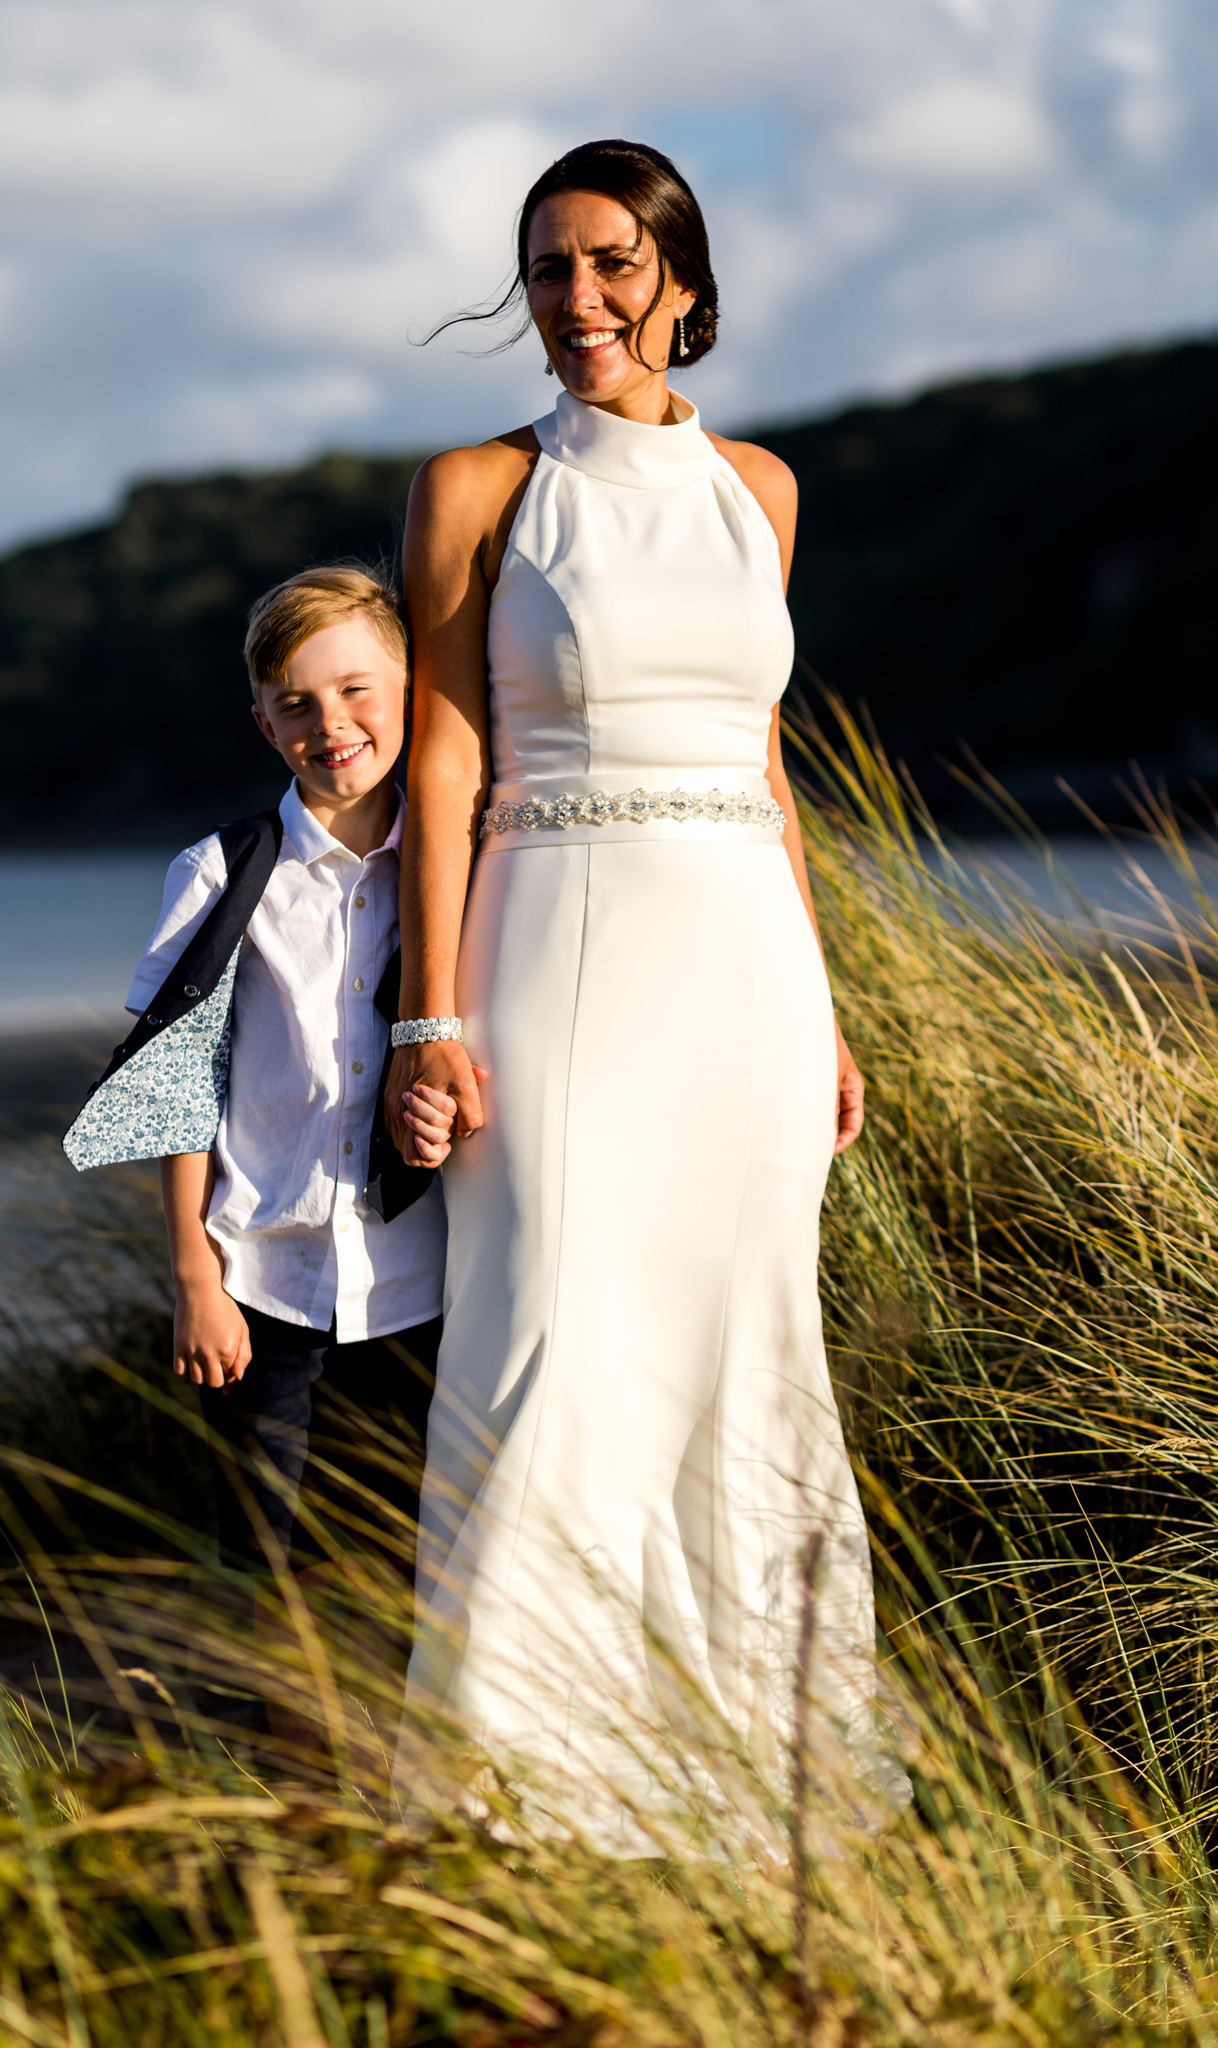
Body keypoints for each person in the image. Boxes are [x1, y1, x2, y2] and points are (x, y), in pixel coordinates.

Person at [386, 140, 889, 1836]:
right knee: (549, 1330)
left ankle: (750, 1786)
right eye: (546, 268)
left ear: (678, 278)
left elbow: (763, 763)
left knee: (749, 1350)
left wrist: (819, 1003)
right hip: (555, 949)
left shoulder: (760, 490)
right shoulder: (473, 488)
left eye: (607, 263)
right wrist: (427, 1014)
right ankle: (512, 1797)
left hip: (744, 968)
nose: (575, 299)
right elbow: (444, 762)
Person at [128, 566, 457, 1604]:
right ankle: (269, 1758)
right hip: (262, 1283)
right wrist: (193, 1277)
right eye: (298, 704)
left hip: (425, 1278)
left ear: (410, 690)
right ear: (264, 724)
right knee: (260, 1566)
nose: (333, 723)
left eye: (359, 689)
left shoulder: (462, 865)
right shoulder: (221, 872)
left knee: (412, 1553)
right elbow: (172, 1082)